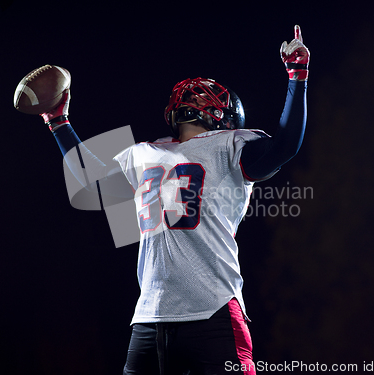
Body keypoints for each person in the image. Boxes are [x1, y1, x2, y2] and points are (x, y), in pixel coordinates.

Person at [39, 25, 309, 375]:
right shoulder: (168, 150)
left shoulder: (165, 151)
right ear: (219, 110)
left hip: (207, 309)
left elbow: (285, 146)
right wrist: (57, 120)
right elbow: (94, 182)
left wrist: (60, 123)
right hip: (154, 315)